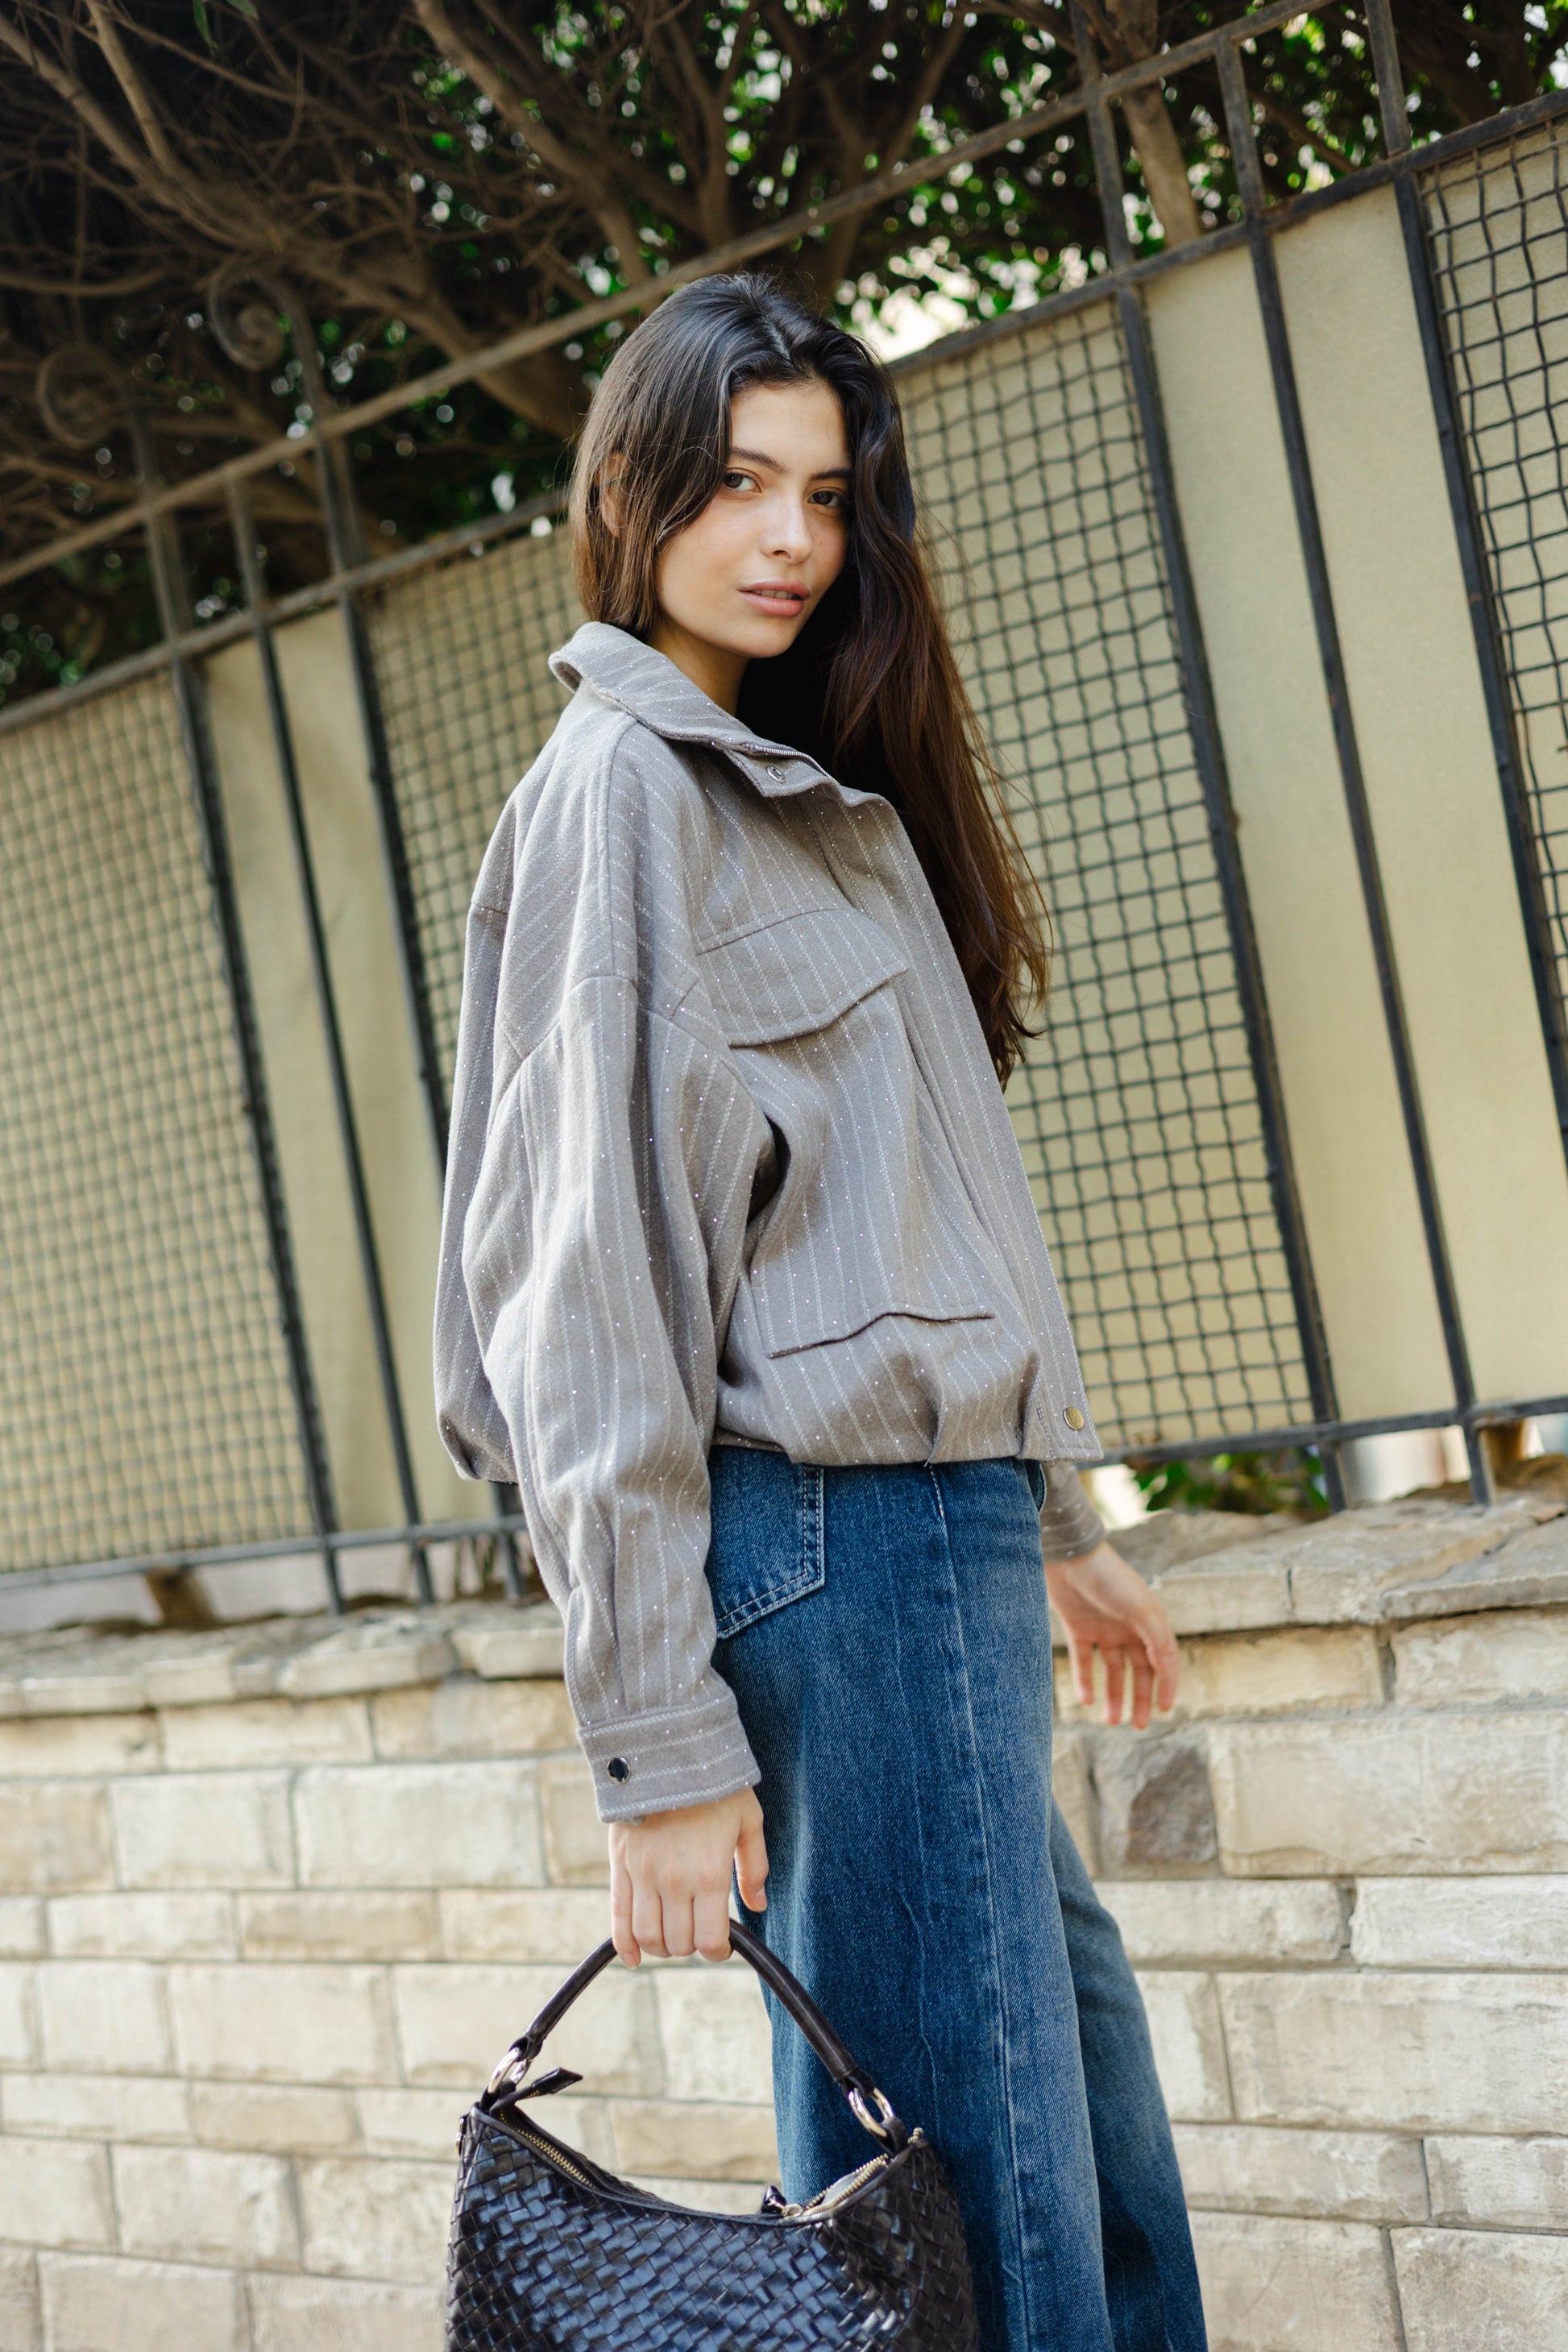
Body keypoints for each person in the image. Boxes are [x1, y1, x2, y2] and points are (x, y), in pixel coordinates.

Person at [434, 272, 1206, 2352]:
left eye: (827, 494)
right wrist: (655, 1745)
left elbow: (914, 1225)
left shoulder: (790, 790)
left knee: (1075, 2132)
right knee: (971, 2204)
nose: (788, 538)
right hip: (843, 1551)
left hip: (937, 1538)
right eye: (736, 485)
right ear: (631, 493)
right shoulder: (625, 793)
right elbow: (582, 1294)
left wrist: (1055, 1522)